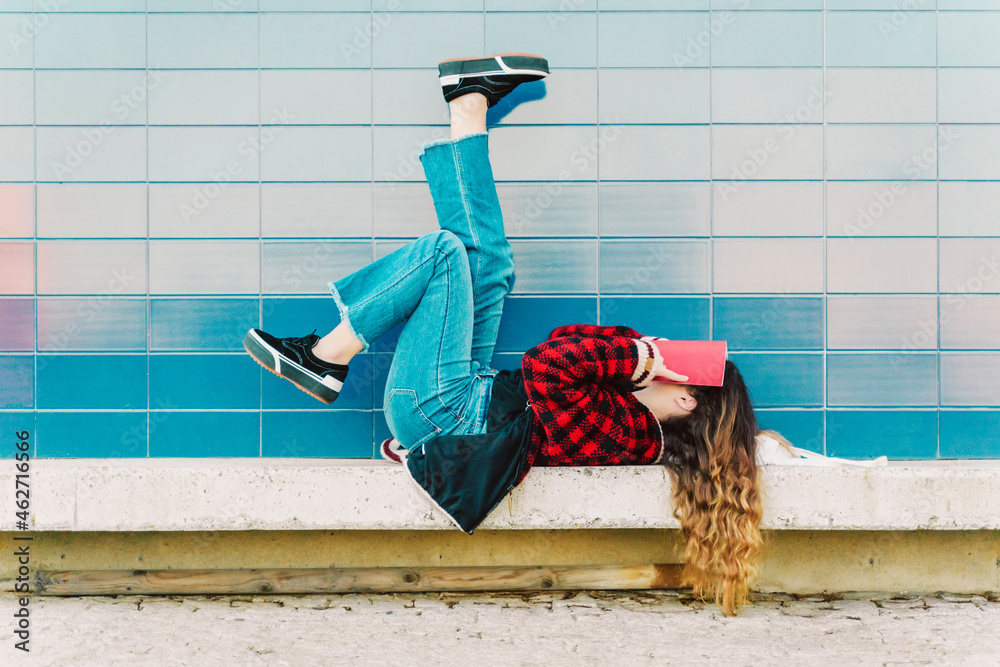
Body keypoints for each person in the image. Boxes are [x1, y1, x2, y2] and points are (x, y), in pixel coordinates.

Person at [242, 53, 762, 617]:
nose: (658, 356)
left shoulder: (628, 435)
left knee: (442, 254)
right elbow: (576, 340)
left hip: (441, 409)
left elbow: (547, 366)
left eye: (672, 364)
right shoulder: (629, 413)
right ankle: (469, 104)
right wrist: (637, 356)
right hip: (467, 392)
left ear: (686, 397)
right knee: (488, 264)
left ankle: (325, 358)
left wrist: (637, 357)